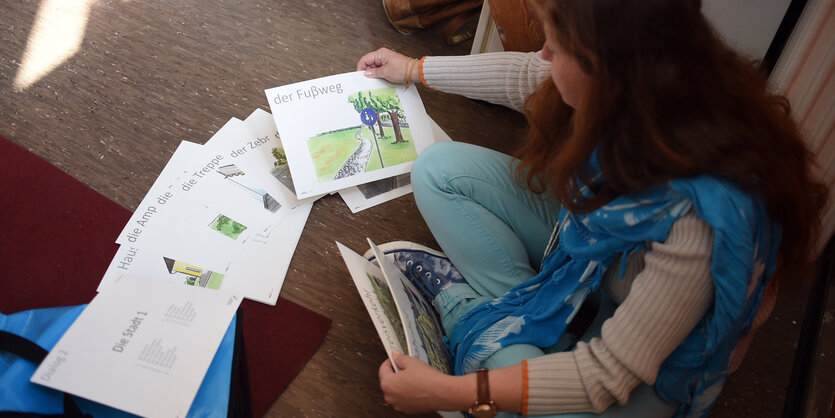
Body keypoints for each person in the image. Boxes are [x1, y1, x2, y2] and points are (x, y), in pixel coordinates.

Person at [356, 0, 828, 416]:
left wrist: (446, 394)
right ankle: (520, 325)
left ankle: (470, 312)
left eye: (554, 42)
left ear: (603, 63)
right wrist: (414, 69)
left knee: (499, 377)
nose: (543, 53)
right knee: (438, 169)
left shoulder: (699, 221)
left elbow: (607, 374)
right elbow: (527, 76)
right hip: (591, 258)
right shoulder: (648, 75)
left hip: (650, 358)